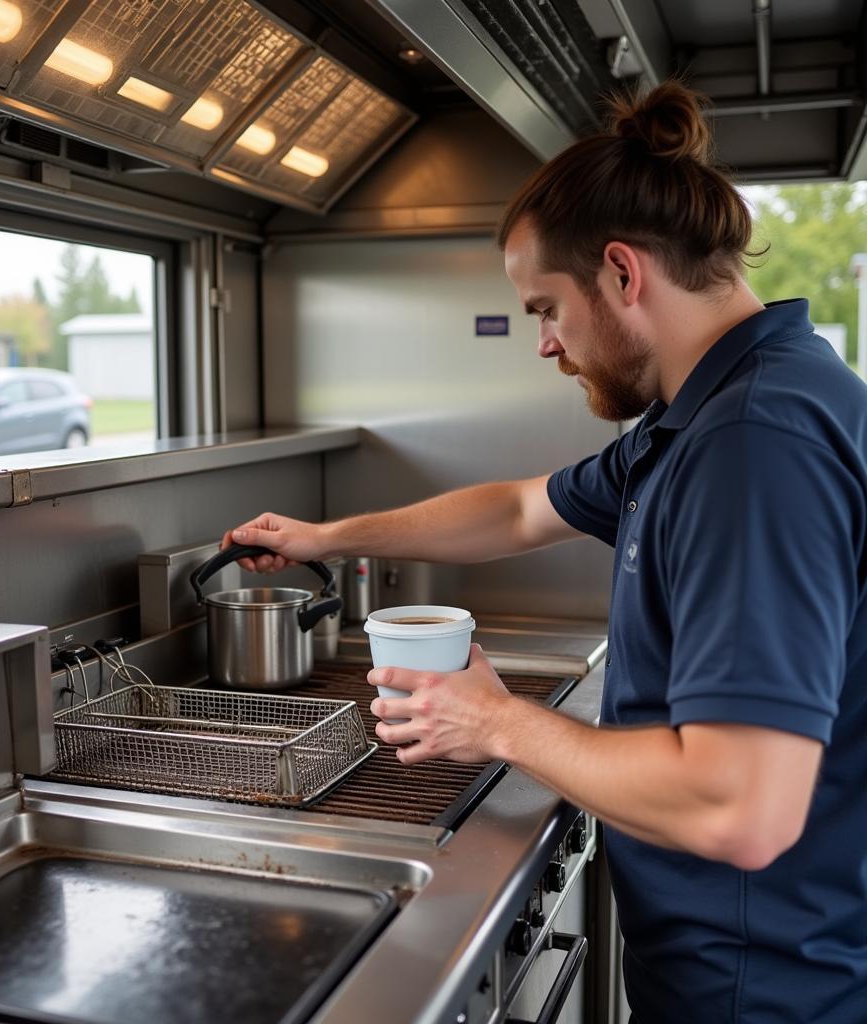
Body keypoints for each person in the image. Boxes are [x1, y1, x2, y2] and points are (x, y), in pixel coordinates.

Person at [222, 81, 867, 1022]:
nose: (544, 345)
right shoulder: (702, 416)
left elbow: (743, 807)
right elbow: (518, 511)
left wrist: (496, 722)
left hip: (761, 990)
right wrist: (325, 536)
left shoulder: (753, 446)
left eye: (544, 309)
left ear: (620, 273)